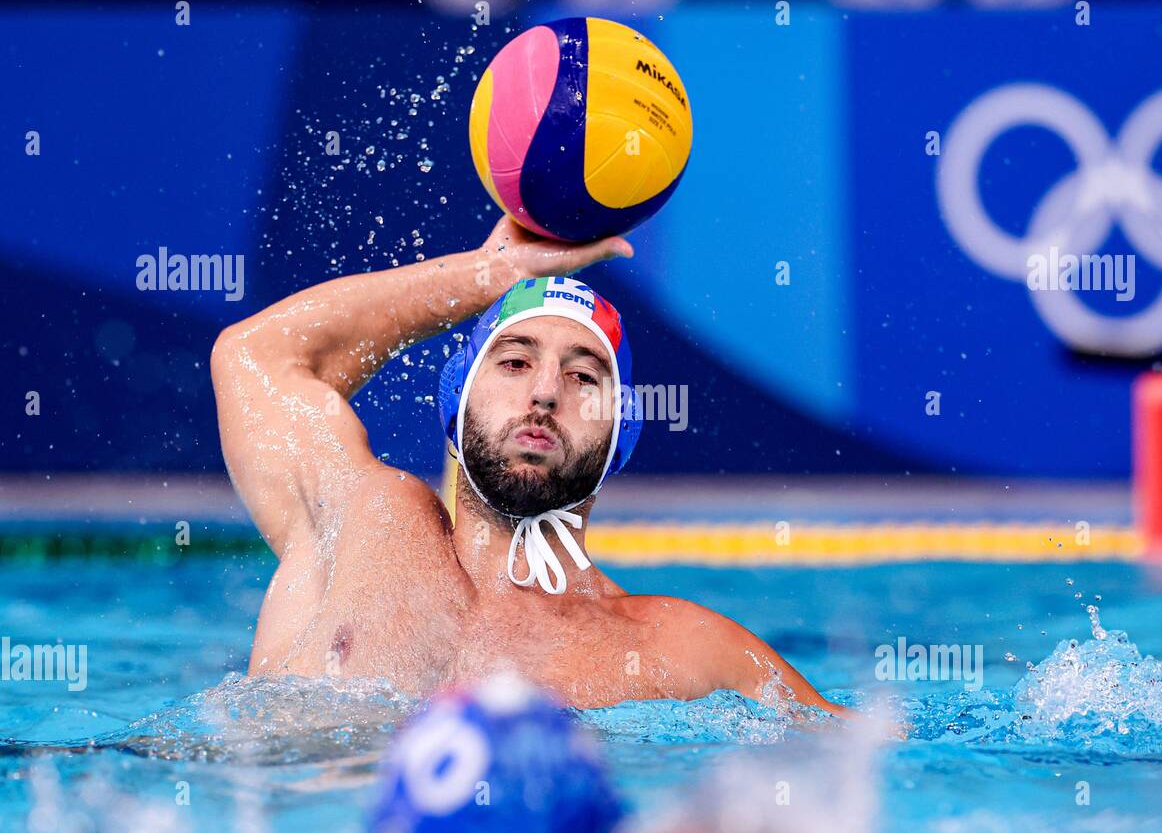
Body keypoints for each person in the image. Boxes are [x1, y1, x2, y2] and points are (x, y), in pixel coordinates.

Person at [211, 215, 848, 713]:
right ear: (455, 398)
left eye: (582, 375)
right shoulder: (362, 522)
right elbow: (254, 358)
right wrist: (483, 278)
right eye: (515, 362)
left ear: (621, 431)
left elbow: (879, 754)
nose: (545, 392)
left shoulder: (678, 650)